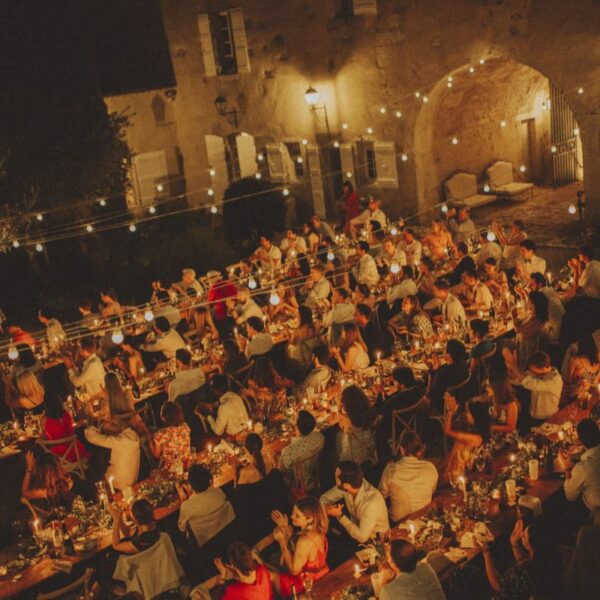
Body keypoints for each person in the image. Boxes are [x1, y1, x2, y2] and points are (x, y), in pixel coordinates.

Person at [479, 517, 564, 600]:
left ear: (532, 545)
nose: (521, 534)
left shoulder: (529, 571)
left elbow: (498, 585)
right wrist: (515, 545)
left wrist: (486, 553)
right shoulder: (550, 559)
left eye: (524, 536)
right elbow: (523, 564)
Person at [271, 497, 329, 597]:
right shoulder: (319, 531)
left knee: (267, 575)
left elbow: (294, 570)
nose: (292, 516)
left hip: (306, 584)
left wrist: (282, 541)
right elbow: (296, 543)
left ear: (309, 519)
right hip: (323, 573)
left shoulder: (304, 541)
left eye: (297, 516)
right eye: (293, 512)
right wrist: (284, 526)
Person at [320, 461, 389, 544]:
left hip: (377, 542)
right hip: (354, 533)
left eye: (336, 478)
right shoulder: (348, 486)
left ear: (346, 485)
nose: (335, 479)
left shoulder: (371, 503)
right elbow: (323, 498)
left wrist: (340, 516)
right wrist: (328, 507)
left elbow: (362, 537)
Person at [378, 432, 438, 523]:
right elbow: (432, 491)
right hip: (425, 519)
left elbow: (381, 495)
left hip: (399, 522)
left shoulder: (391, 470)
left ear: (402, 450)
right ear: (420, 450)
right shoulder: (431, 468)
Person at [177, 464, 235, 548]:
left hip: (205, 546)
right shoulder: (218, 492)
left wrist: (182, 497)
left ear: (190, 484)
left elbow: (182, 528)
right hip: (225, 535)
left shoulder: (186, 506)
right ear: (209, 481)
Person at [503, 350, 563, 429]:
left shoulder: (555, 380)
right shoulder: (535, 373)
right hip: (532, 417)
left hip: (549, 419)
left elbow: (531, 383)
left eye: (533, 371)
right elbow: (517, 381)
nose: (531, 373)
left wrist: (514, 366)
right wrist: (510, 367)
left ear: (545, 368)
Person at [443, 395, 491, 483]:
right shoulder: (470, 428)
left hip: (458, 472)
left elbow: (447, 431)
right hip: (451, 464)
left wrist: (450, 412)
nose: (465, 413)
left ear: (475, 415)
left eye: (468, 411)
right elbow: (448, 428)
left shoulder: (476, 438)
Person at [378, 539, 446, 600]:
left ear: (393, 563)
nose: (387, 560)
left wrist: (383, 582)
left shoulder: (388, 591)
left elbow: (383, 595)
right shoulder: (425, 567)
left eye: (388, 557)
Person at [85, 417, 140, 490]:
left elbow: (90, 436)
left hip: (118, 486)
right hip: (126, 484)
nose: (115, 421)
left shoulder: (121, 441)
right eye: (112, 424)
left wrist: (89, 419)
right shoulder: (132, 434)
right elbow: (92, 437)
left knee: (97, 456)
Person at [42, 387, 89, 462]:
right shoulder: (66, 416)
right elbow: (71, 432)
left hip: (58, 457)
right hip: (74, 451)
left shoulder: (44, 421)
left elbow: (46, 436)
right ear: (59, 401)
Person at [564, 419, 600, 513]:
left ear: (579, 440)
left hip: (594, 511)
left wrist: (568, 470)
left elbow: (570, 496)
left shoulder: (582, 468)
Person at [21, 450, 74, 514]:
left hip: (61, 517)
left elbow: (24, 493)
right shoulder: (69, 481)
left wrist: (29, 468)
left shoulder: (47, 491)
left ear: (43, 475)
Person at [336, 385, 376, 465]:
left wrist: (339, 408)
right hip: (370, 449)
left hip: (351, 459)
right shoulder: (368, 415)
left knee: (337, 436)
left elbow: (344, 455)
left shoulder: (347, 426)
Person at [428, 339, 470, 413]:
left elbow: (431, 393)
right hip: (459, 401)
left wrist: (431, 370)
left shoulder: (443, 372)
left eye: (444, 349)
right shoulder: (464, 366)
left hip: (444, 406)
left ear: (449, 355)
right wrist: (438, 366)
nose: (443, 351)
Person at [513, 291, 550, 368]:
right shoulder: (537, 316)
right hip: (529, 347)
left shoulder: (535, 320)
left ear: (533, 304)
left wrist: (513, 317)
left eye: (529, 301)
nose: (527, 302)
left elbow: (518, 330)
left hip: (528, 352)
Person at [150, 402, 191, 470]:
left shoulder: (160, 435)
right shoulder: (185, 426)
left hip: (172, 469)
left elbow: (156, 455)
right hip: (187, 464)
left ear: (163, 417)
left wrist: (148, 438)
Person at [529, 272, 565, 343]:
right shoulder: (549, 291)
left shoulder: (541, 295)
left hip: (557, 333)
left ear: (540, 284)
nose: (530, 286)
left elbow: (532, 312)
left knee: (531, 336)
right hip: (564, 324)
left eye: (532, 284)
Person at [564, 334, 600, 401]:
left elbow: (568, 381)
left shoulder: (576, 361)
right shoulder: (598, 361)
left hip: (576, 398)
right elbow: (596, 382)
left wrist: (582, 374)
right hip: (593, 397)